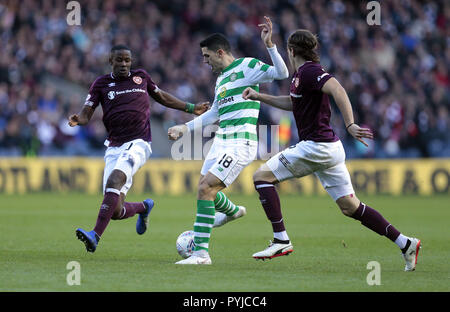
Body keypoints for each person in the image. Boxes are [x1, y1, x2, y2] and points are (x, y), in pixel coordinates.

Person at [242, 29, 421, 271]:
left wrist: (350, 124)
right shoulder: (300, 76)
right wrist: (259, 96)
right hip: (329, 149)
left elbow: (338, 89)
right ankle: (406, 243)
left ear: (291, 50)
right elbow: (292, 103)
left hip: (317, 147)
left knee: (261, 177)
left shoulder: (311, 71)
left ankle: (281, 239)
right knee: (351, 207)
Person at [167, 16, 289, 264]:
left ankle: (200, 254)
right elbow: (214, 113)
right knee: (204, 186)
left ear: (220, 52)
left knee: (205, 189)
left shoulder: (247, 67)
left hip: (240, 142)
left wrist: (270, 45)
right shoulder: (221, 80)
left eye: (206, 56)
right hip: (222, 140)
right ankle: (232, 212)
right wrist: (185, 128)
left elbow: (282, 73)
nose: (205, 61)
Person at [69, 44, 209, 253]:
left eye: (127, 60)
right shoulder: (101, 84)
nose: (124, 64)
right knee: (115, 210)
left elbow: (161, 96)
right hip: (114, 146)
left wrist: (191, 108)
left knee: (114, 180)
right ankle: (144, 207)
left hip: (139, 142)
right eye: (119, 60)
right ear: (111, 61)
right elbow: (87, 113)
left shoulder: (141, 77)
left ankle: (95, 236)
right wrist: (78, 119)